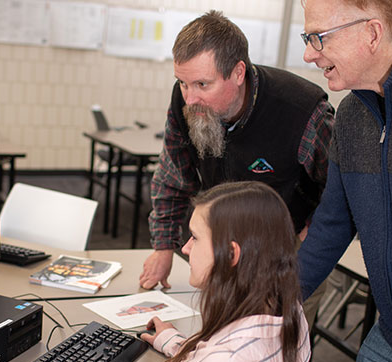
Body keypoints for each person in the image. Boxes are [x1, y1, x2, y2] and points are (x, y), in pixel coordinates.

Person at [31, 181, 311, 362]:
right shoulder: (291, 315)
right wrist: (178, 343)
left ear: (230, 254)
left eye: (196, 238)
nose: (186, 248)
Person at [139, 11, 334, 306]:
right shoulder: (186, 101)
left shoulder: (302, 111)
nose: (190, 98)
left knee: (278, 340)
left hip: (283, 246)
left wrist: (315, 229)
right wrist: (163, 247)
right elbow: (173, 175)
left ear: (238, 73)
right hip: (220, 240)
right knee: (220, 335)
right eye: (182, 82)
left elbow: (341, 187)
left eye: (203, 84)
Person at [297, 0, 392, 362]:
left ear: (372, 33)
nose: (308, 54)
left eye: (318, 38)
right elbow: (332, 225)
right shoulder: (352, 116)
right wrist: (276, 301)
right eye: (308, 38)